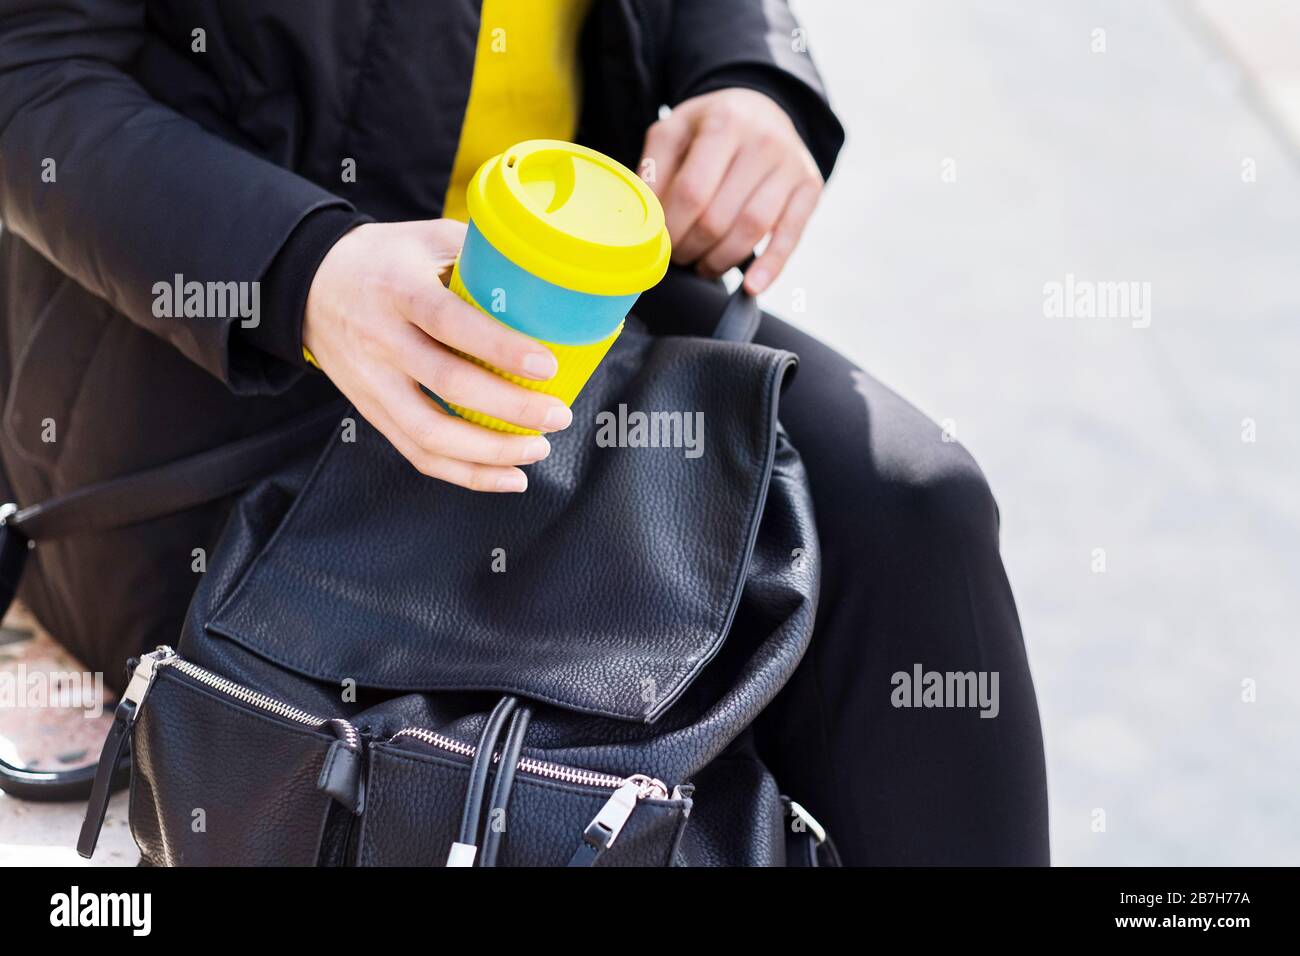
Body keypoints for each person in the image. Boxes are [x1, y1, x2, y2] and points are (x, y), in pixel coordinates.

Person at [0, 0, 1048, 864]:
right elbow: (28, 69)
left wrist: (751, 80)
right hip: (231, 368)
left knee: (917, 504)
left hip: (569, 322)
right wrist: (303, 274)